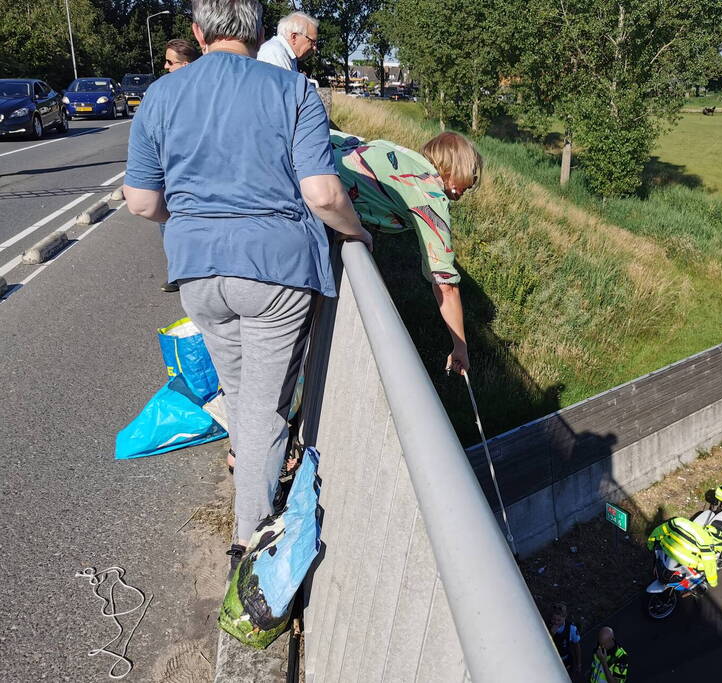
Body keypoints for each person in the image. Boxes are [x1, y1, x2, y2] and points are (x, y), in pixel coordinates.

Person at [124, 0, 372, 571]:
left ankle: (249, 481)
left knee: (241, 396)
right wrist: (358, 235)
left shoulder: (161, 96)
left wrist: (194, 219)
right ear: (259, 31)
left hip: (197, 274)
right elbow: (323, 194)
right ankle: (249, 540)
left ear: (197, 32)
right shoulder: (294, 91)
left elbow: (141, 202)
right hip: (274, 273)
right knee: (264, 408)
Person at [330, 130, 482, 374]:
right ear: (454, 169)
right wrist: (460, 347)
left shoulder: (398, 153)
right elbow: (445, 284)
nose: (472, 182)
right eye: (470, 173)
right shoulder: (430, 195)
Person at [156, 38, 201, 294]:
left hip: (193, 166)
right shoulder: (165, 91)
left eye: (170, 62)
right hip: (170, 166)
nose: (165, 66)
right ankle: (177, 271)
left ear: (185, 65)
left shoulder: (201, 91)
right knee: (166, 218)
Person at [646, 514, 722, 588]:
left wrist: (650, 545)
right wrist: (713, 582)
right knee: (700, 569)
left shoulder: (678, 521)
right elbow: (709, 563)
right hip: (686, 563)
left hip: (667, 552)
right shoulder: (707, 540)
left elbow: (658, 531)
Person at [547, 602, 582, 679]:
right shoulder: (547, 626)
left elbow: (577, 646)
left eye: (559, 620)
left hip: (566, 660)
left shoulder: (571, 629)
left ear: (565, 617)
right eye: (554, 619)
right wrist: (551, 634)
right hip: (553, 660)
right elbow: (545, 645)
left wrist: (578, 664)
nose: (556, 622)